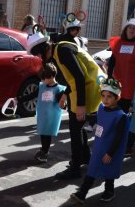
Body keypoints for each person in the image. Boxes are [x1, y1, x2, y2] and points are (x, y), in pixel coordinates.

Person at [27, 24, 105, 180]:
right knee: (78, 126)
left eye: (40, 56)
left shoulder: (62, 51)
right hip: (87, 86)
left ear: (44, 51)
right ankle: (84, 157)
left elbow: (79, 76)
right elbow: (72, 78)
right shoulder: (60, 49)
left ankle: (75, 168)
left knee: (75, 129)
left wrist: (81, 105)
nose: (42, 59)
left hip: (89, 88)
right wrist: (65, 95)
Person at [70, 79, 129, 203]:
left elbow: (119, 138)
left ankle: (109, 191)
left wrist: (110, 153)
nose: (105, 99)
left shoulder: (120, 116)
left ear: (117, 97)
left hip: (110, 148)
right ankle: (82, 193)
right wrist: (86, 117)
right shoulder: (102, 108)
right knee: (93, 168)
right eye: (103, 96)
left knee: (109, 170)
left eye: (109, 97)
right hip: (99, 146)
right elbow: (98, 117)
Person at [107, 18, 135, 111]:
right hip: (117, 83)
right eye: (130, 27)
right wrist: (109, 76)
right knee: (116, 109)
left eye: (134, 28)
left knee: (129, 111)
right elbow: (112, 61)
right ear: (126, 29)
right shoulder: (118, 43)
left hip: (133, 84)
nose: (132, 30)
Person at [33, 61, 66, 163]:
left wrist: (64, 104)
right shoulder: (42, 86)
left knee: (47, 135)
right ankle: (43, 150)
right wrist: (19, 99)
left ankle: (44, 153)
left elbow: (63, 104)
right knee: (43, 134)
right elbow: (32, 95)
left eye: (44, 78)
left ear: (52, 76)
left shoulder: (59, 89)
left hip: (51, 117)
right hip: (43, 115)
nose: (42, 80)